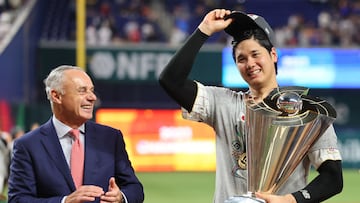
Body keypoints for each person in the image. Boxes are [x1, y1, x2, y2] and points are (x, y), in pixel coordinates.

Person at [159, 9, 343, 203]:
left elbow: (333, 178)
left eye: (256, 54)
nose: (250, 64)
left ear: (273, 54)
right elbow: (171, 80)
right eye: (241, 59)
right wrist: (204, 30)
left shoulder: (307, 113)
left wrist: (291, 200)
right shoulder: (223, 103)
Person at [8, 65, 144, 203]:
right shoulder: (28, 145)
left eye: (91, 90)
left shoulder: (110, 138)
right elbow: (17, 199)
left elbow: (135, 188)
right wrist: (64, 201)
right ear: (56, 96)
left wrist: (120, 197)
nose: (92, 97)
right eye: (82, 91)